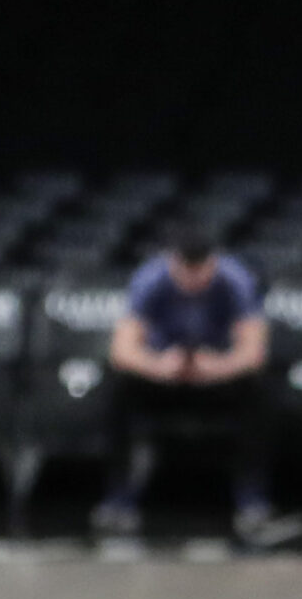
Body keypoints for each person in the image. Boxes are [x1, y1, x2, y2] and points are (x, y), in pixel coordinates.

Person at [94, 222, 287, 544]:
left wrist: (217, 367)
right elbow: (122, 351)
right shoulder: (151, 278)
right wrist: (158, 366)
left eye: (202, 270)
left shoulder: (234, 279)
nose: (194, 279)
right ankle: (118, 503)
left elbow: (254, 353)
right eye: (186, 271)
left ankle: (252, 504)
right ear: (173, 261)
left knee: (259, 393)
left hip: (216, 376)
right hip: (163, 376)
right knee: (118, 392)